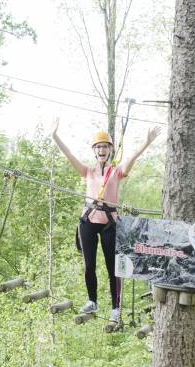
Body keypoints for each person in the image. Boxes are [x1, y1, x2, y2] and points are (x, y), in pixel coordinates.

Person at [52, 119, 160, 323]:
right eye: (98, 147)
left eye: (105, 146)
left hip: (110, 223)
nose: (101, 149)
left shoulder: (117, 172)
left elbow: (131, 158)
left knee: (113, 268)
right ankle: (92, 300)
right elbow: (69, 156)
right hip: (88, 222)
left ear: (109, 150)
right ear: (95, 151)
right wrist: (55, 137)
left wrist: (146, 142)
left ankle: (115, 308)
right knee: (88, 265)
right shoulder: (88, 172)